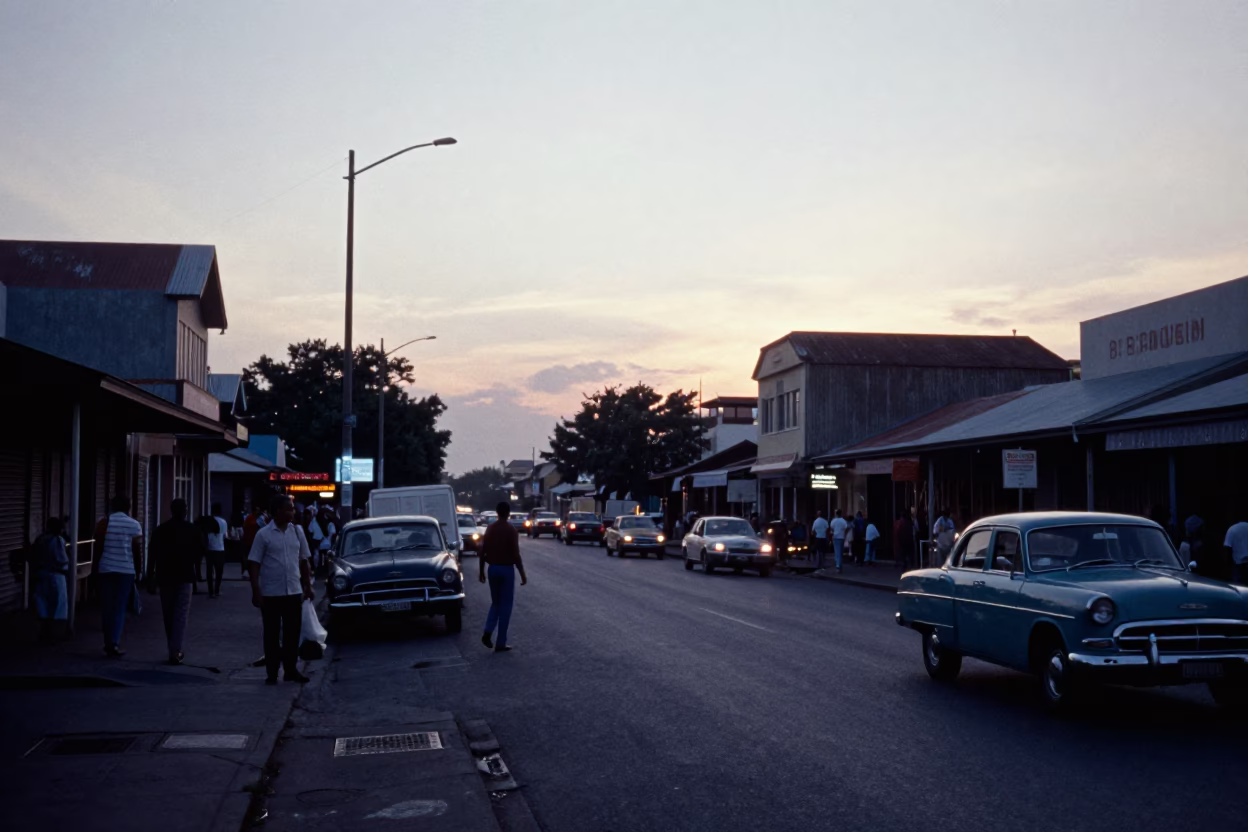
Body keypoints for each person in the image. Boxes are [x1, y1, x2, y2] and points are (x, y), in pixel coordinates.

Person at [247, 494, 315, 684]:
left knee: (292, 634)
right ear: (278, 511)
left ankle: (291, 670)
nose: (293, 512)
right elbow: (254, 564)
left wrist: (308, 586)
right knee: (272, 634)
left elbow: (304, 560)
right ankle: (272, 673)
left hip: (293, 591)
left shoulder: (297, 532)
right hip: (271, 593)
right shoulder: (263, 534)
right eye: (289, 509)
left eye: (292, 509)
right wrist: (256, 591)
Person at [148, 499, 202, 665]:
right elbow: (200, 552)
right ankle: (175, 649)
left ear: (171, 510)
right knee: (181, 614)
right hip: (185, 576)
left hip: (165, 576)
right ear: (185, 511)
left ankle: (172, 647)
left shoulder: (160, 530)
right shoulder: (192, 530)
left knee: (168, 614)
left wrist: (150, 578)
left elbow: (152, 555)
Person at [97, 495, 144, 657]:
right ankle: (114, 642)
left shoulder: (103, 523)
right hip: (125, 570)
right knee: (119, 607)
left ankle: (107, 641)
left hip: (106, 569)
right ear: (128, 507)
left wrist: (95, 568)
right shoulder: (134, 525)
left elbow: (98, 547)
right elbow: (136, 551)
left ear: (112, 506)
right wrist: (139, 571)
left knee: (106, 606)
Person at [479, 501, 527, 653]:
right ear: (508, 513)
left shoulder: (490, 528)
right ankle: (500, 642)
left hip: (492, 569)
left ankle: (488, 631)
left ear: (497, 512)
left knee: (496, 603)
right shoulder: (511, 530)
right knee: (506, 606)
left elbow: (482, 551)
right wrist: (522, 574)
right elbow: (516, 555)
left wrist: (481, 571)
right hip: (506, 570)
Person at [31, 517, 70, 641]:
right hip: (56, 574)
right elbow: (62, 559)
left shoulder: (40, 539)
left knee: (43, 603)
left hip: (41, 573)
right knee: (57, 605)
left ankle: (44, 631)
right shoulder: (57, 540)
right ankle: (54, 633)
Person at [198, 503, 228, 599]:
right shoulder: (223, 522)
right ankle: (217, 590)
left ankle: (210, 591)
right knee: (219, 571)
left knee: (209, 570)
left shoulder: (208, 521)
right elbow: (225, 536)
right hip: (220, 549)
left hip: (210, 549)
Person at [308, 507, 337, 571]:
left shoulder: (314, 521)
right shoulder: (330, 523)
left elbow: (310, 531)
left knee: (317, 558)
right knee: (327, 559)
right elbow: (333, 533)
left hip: (317, 544)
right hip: (327, 545)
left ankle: (318, 569)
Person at [1225, 517, 1248, 586]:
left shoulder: (1232, 529)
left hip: (1238, 562)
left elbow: (1228, 547)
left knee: (1238, 585)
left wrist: (1228, 563)